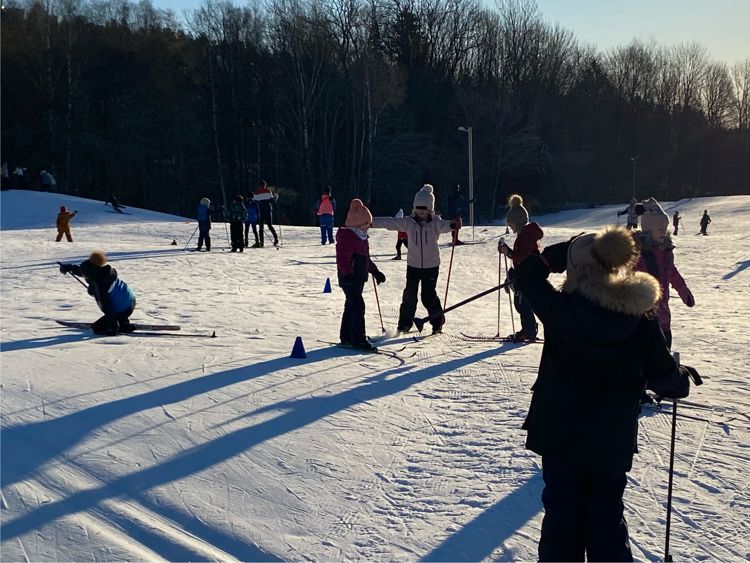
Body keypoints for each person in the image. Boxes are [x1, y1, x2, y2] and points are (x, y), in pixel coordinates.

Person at [513, 226, 696, 562]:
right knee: (606, 521)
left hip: (559, 436)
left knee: (561, 520)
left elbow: (525, 274)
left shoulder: (561, 310)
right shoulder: (640, 319)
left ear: (577, 269)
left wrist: (560, 252)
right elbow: (667, 381)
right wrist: (680, 378)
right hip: (610, 441)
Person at [371, 184, 460, 334]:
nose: (421, 211)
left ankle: (437, 322)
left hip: (431, 266)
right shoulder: (408, 222)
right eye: (418, 207)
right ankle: (404, 324)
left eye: (424, 208)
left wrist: (454, 224)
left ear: (430, 209)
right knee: (409, 295)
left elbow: (447, 225)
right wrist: (370, 221)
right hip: (413, 265)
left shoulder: (435, 223)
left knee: (428, 295)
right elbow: (390, 222)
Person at [634, 198, 694, 349]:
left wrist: (682, 289)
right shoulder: (637, 254)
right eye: (659, 229)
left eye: (665, 228)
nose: (663, 232)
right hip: (641, 316)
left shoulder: (664, 251)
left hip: (664, 316)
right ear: (648, 230)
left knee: (665, 349)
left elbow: (671, 271)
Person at [335, 199, 386, 350]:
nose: (369, 227)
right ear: (359, 224)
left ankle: (347, 337)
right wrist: (347, 274)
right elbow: (342, 259)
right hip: (349, 279)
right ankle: (358, 339)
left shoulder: (362, 238)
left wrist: (375, 272)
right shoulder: (347, 237)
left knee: (351, 305)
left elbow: (365, 259)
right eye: (367, 224)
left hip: (358, 278)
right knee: (358, 306)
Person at [498, 194, 543, 342]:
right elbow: (519, 256)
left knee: (523, 304)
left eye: (511, 224)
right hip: (524, 275)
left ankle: (529, 331)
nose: (510, 227)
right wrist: (508, 252)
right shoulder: (523, 236)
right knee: (521, 304)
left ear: (518, 222)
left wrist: (510, 254)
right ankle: (529, 329)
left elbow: (524, 258)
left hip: (527, 277)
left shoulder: (526, 238)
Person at [59, 251, 136, 335]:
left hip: (124, 309)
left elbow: (108, 308)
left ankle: (120, 323)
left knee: (97, 328)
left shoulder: (101, 287)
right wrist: (70, 268)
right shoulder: (103, 272)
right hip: (130, 300)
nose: (84, 276)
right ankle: (124, 323)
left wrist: (112, 328)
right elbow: (85, 271)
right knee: (117, 302)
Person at [254, 180, 279, 247]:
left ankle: (262, 242)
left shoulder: (257, 193)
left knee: (261, 227)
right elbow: (272, 201)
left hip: (261, 210)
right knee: (269, 225)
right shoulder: (268, 191)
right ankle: (276, 238)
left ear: (259, 185)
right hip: (268, 209)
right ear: (265, 185)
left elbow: (255, 201)